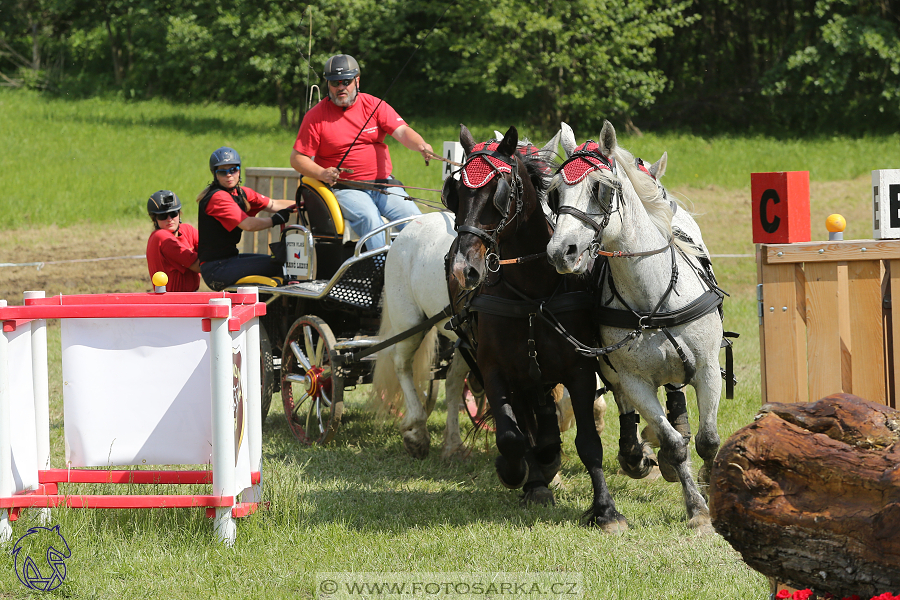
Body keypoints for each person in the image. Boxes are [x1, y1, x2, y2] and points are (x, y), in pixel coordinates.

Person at [290, 54, 432, 250]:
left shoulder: (374, 105)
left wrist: (421, 144)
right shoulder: (315, 117)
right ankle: (381, 270)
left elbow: (402, 132)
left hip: (383, 185)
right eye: (334, 83)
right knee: (370, 218)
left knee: (416, 220)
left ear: (357, 81)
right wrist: (322, 173)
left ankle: (423, 267)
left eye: (346, 81)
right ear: (328, 84)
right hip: (345, 188)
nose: (341, 87)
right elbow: (298, 159)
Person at [197, 146, 296, 291]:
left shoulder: (241, 193)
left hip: (229, 260)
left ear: (239, 170)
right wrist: (274, 220)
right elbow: (248, 225)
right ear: (215, 175)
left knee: (280, 262)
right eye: (223, 172)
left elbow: (274, 204)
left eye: (233, 170)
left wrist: (302, 206)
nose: (229, 175)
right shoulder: (218, 197)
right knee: (280, 265)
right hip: (216, 269)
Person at [145, 190, 201, 292]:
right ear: (154, 219)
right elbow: (199, 266)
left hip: (189, 298)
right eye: (163, 216)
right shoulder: (161, 237)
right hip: (172, 302)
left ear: (179, 214)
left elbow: (210, 247)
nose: (169, 219)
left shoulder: (187, 230)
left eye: (173, 213)